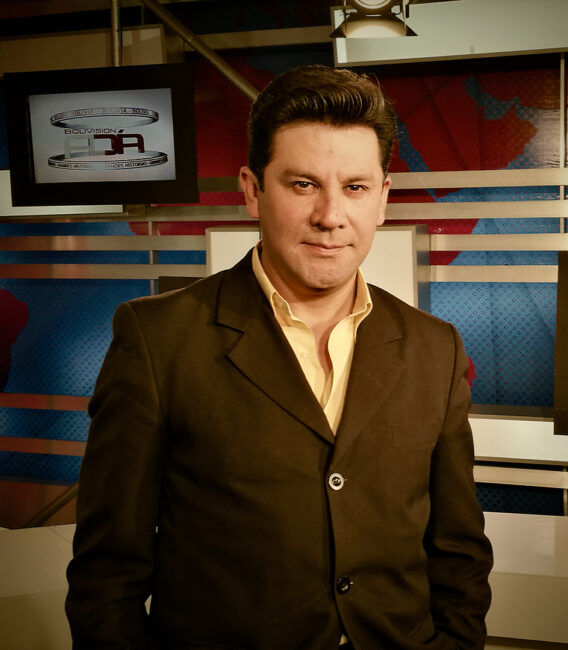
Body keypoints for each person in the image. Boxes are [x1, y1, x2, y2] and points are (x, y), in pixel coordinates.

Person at [66, 64, 493, 650]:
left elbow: (458, 549)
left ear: (383, 199)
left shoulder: (434, 346)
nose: (330, 216)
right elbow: (106, 575)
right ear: (252, 190)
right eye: (303, 184)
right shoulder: (158, 339)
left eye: (355, 187)